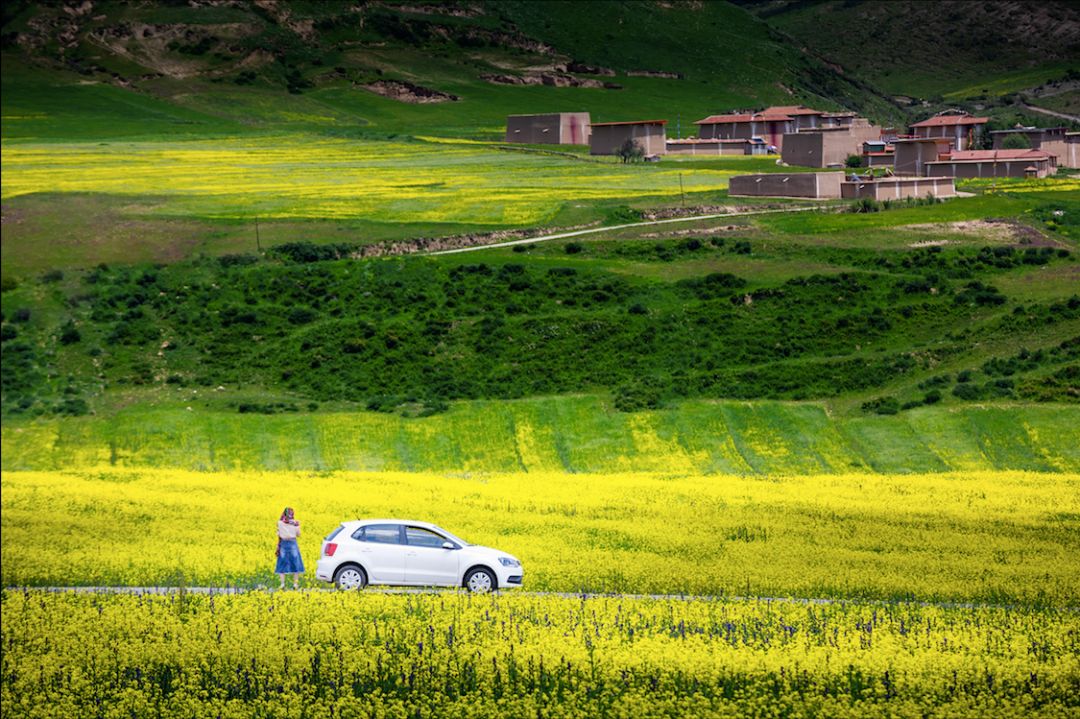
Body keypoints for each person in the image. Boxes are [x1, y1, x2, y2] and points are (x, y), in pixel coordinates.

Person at [275, 507, 304, 589]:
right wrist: (297, 525)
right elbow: (298, 534)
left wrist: (278, 546)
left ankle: (282, 584)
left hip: (283, 543)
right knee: (296, 563)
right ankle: (295, 584)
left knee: (282, 563)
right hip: (293, 543)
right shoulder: (295, 523)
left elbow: (278, 534)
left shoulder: (279, 523)